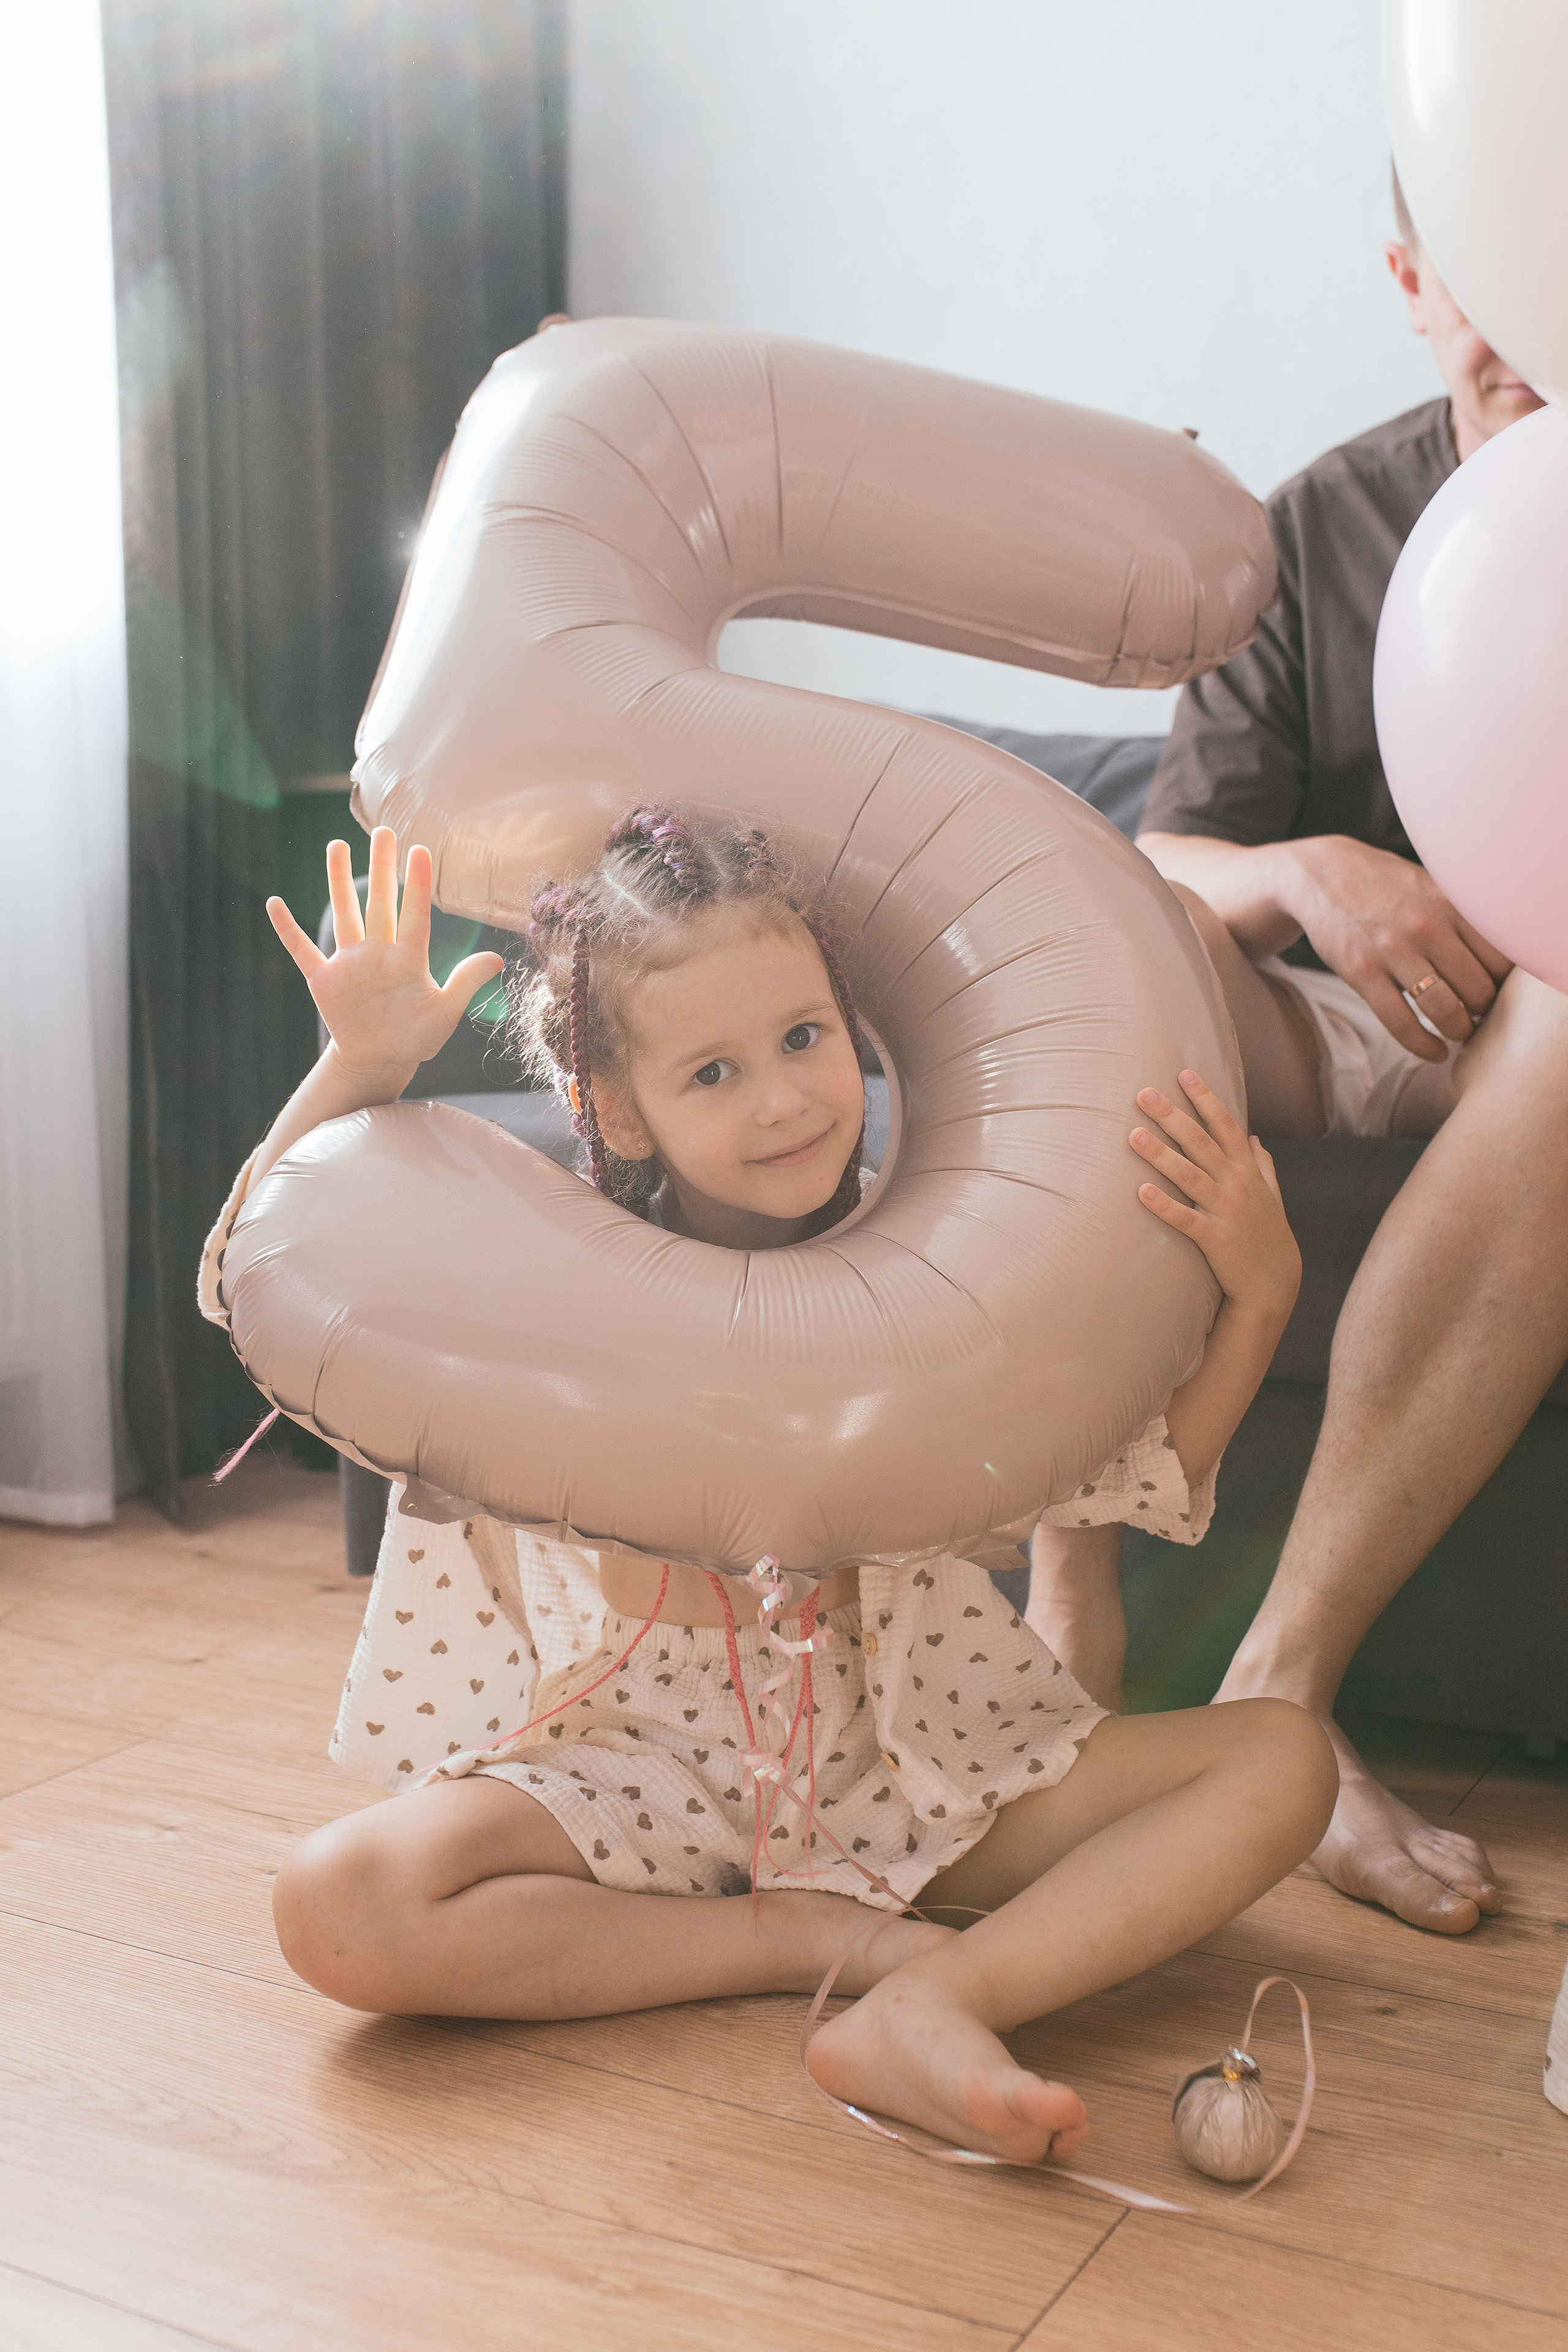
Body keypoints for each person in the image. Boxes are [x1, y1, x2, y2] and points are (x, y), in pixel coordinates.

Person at [205, 807, 1330, 2165]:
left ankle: (936, 1998)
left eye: (803, 1040)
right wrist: (359, 1068)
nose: (785, 1099)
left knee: (1280, 1758)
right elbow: (257, 1285)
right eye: (714, 1072)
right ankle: (797, 1937)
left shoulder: (931, 1259)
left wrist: (1262, 1294)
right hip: (629, 1780)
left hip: (914, 1771)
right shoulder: (541, 1271)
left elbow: (1112, 1482)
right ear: (615, 1105)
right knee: (335, 1900)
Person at [1027, 172, 1562, 1940]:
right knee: (1124, 947)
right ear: (1412, 281)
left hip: (1536, 1034)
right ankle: (1065, 1586)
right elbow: (1167, 852)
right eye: (1476, 276)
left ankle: (1282, 1694)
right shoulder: (1320, 521)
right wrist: (1307, 873)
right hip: (1337, 1011)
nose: (1512, 321)